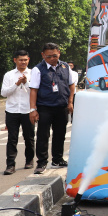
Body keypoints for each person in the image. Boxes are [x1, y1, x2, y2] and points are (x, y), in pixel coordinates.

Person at [29, 43, 77, 174]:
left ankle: (57, 159)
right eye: (49, 56)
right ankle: (42, 162)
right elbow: (33, 90)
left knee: (60, 134)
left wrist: (70, 102)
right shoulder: (38, 69)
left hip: (61, 107)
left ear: (59, 53)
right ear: (43, 55)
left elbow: (71, 85)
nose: (52, 59)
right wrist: (33, 110)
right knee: (43, 135)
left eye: (55, 56)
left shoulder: (65, 66)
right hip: (45, 107)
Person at [0, 50, 34, 175]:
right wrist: (16, 84)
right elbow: (4, 93)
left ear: (28, 60)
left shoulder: (33, 73)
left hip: (27, 110)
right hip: (12, 110)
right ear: (15, 60)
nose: (23, 62)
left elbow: (35, 92)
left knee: (29, 137)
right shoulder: (9, 75)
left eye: (25, 60)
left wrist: (26, 82)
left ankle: (29, 160)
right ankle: (10, 165)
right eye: (21, 60)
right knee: (12, 139)